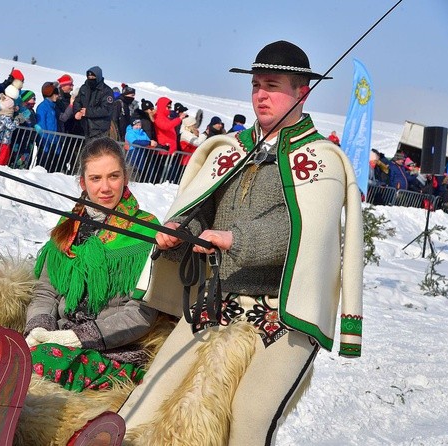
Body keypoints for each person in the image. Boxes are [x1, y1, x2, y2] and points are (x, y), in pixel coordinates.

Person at [118, 40, 363, 445]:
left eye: (272, 85)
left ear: (302, 92)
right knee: (149, 396)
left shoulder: (322, 160)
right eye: (255, 85)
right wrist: (179, 231)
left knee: (249, 416)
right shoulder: (230, 150)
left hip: (283, 315)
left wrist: (236, 239)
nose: (261, 95)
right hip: (216, 299)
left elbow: (304, 235)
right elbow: (202, 211)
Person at [24, 136, 160, 392]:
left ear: (126, 178)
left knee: (34, 365)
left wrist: (77, 338)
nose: (105, 187)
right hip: (57, 339)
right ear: (83, 182)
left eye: (113, 176)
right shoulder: (68, 228)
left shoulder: (147, 233)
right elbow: (45, 292)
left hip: (114, 352)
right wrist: (39, 330)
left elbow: (141, 313)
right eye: (96, 178)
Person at [73, 66, 114, 140]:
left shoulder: (106, 91)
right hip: (83, 126)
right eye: (89, 77)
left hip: (99, 129)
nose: (91, 79)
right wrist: (77, 111)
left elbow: (106, 109)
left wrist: (88, 112)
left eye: (93, 77)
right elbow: (77, 101)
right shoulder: (84, 88)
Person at [35, 81, 60, 171]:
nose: (57, 96)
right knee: (43, 166)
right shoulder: (42, 107)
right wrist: (45, 141)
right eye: (56, 94)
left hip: (53, 141)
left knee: (52, 168)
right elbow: (41, 125)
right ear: (51, 94)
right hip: (46, 142)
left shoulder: (53, 107)